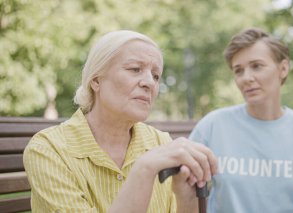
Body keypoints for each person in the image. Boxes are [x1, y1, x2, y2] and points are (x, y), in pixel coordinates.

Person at [23, 30, 218, 213]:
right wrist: (144, 169)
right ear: (96, 80)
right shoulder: (48, 149)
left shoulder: (160, 142)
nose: (149, 82)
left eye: (156, 75)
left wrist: (186, 199)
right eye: (135, 69)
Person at [189, 28, 293, 213]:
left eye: (257, 66)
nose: (246, 78)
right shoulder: (212, 126)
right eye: (239, 71)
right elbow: (183, 194)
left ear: (283, 69)